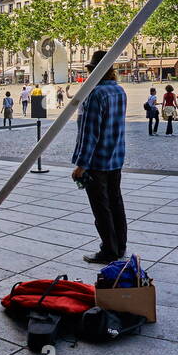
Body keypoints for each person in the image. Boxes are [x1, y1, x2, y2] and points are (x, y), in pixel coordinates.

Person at [70, 51, 128, 265]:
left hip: (97, 162)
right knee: (116, 203)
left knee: (101, 207)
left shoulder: (94, 94)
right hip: (116, 157)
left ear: (93, 71)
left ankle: (109, 250)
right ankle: (120, 246)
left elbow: (89, 133)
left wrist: (81, 166)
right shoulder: (119, 91)